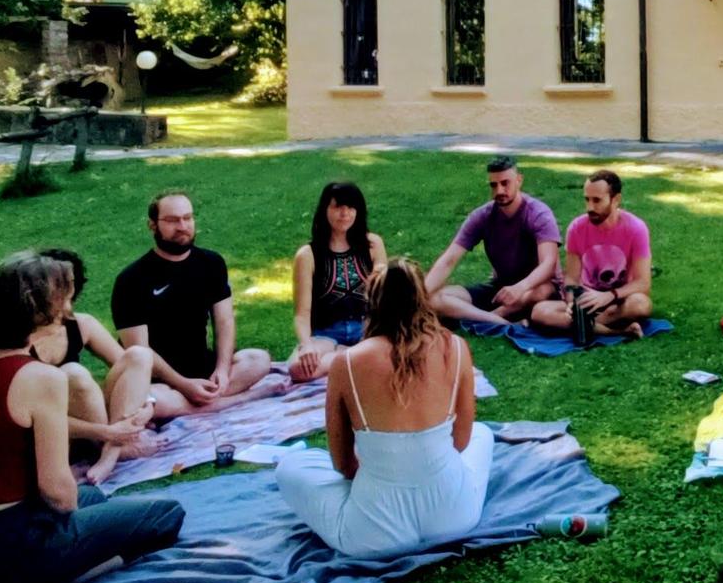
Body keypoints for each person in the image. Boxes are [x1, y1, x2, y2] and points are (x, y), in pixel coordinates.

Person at [0, 253, 185, 583]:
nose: (67, 306)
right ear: (37, 311)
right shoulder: (40, 378)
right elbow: (58, 495)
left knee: (94, 497)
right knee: (165, 515)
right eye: (60, 297)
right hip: (4, 552)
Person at [276, 256, 492, 560]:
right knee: (483, 434)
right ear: (422, 299)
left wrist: (387, 467)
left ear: (373, 302)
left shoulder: (347, 362)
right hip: (454, 518)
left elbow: (343, 465)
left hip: (373, 533)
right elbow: (460, 442)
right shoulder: (455, 348)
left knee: (291, 466)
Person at [110, 191, 278, 421]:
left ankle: (202, 401)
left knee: (258, 360)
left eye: (187, 218)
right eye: (172, 220)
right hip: (160, 380)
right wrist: (184, 385)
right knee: (150, 399)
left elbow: (224, 321)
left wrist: (221, 369)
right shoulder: (132, 279)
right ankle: (240, 399)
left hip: (204, 369)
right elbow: (140, 350)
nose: (182, 226)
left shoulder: (211, 263)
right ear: (152, 225)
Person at [30, 248, 157, 483]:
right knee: (73, 374)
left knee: (139, 355)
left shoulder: (81, 324)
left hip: (99, 424)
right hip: (55, 429)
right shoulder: (19, 341)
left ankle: (110, 454)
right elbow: (35, 415)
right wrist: (107, 431)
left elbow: (131, 370)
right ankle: (114, 444)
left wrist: (148, 403)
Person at [423, 156, 561, 328]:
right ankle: (498, 321)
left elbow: (548, 265)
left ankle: (488, 317)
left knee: (542, 292)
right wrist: (420, 296)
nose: (499, 191)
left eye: (505, 183)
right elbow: (449, 260)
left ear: (519, 180)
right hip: (500, 290)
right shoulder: (482, 216)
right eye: (494, 185)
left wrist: (520, 288)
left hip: (533, 289)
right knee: (435, 299)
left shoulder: (539, 214)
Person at [530, 169, 654, 341]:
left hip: (619, 300)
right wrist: (572, 303)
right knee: (539, 311)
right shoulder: (576, 228)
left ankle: (585, 324)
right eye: (587, 199)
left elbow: (643, 283)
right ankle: (617, 332)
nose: (590, 207)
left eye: (597, 200)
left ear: (616, 199)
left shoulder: (636, 228)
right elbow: (572, 280)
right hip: (587, 300)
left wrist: (609, 296)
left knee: (641, 304)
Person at [289, 181, 388, 381]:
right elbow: (302, 313)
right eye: (337, 207)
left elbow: (383, 296)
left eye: (351, 207)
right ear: (325, 210)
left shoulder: (373, 244)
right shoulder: (307, 255)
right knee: (298, 369)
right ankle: (356, 355)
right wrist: (307, 345)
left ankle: (349, 355)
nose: (345, 214)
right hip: (326, 335)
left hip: (367, 328)